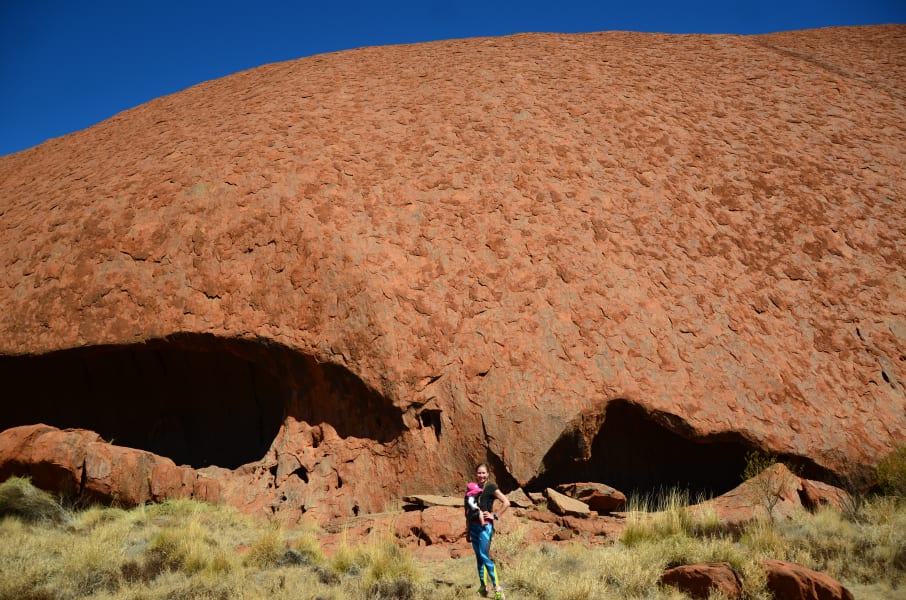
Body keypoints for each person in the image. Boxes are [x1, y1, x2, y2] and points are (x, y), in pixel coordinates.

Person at [465, 463, 510, 599]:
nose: (481, 476)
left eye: (483, 473)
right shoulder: (472, 488)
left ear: (488, 474)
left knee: (484, 556)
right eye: (479, 473)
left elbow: (506, 502)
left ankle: (498, 589)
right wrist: (467, 529)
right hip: (473, 526)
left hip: (485, 527)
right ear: (476, 474)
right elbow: (467, 510)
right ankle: (483, 587)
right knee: (479, 558)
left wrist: (495, 515)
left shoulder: (491, 487)